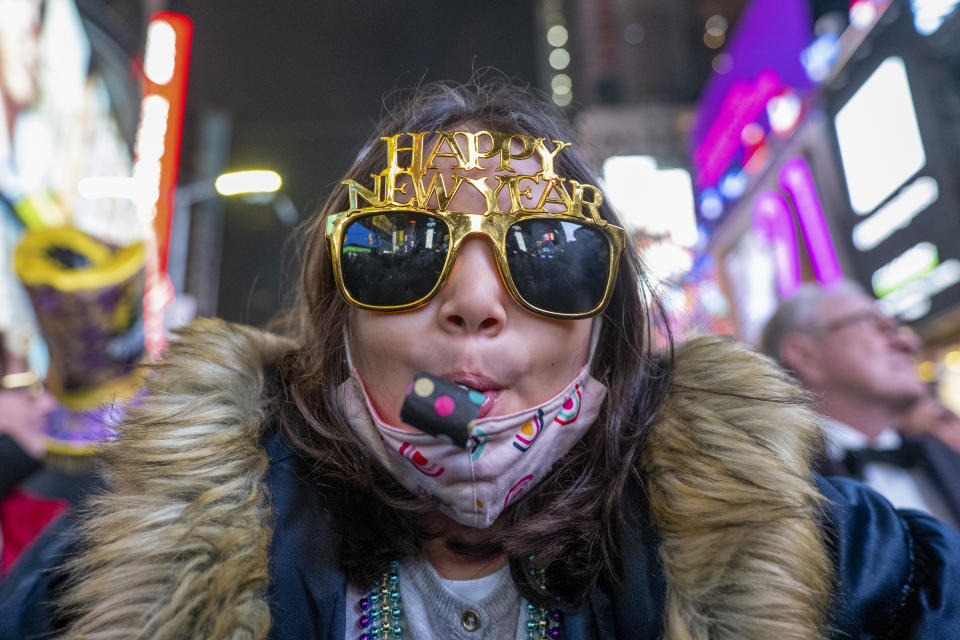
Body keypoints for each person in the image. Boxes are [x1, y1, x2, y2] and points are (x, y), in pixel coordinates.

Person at [3, 81, 959, 639]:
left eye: (549, 256)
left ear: (609, 322)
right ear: (338, 318)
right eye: (403, 252)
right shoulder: (113, 569)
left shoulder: (813, 547)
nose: (473, 305)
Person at [760, 279, 960, 527]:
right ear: (805, 356)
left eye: (896, 328)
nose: (910, 343)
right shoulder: (772, 495)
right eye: (877, 325)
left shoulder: (947, 452)